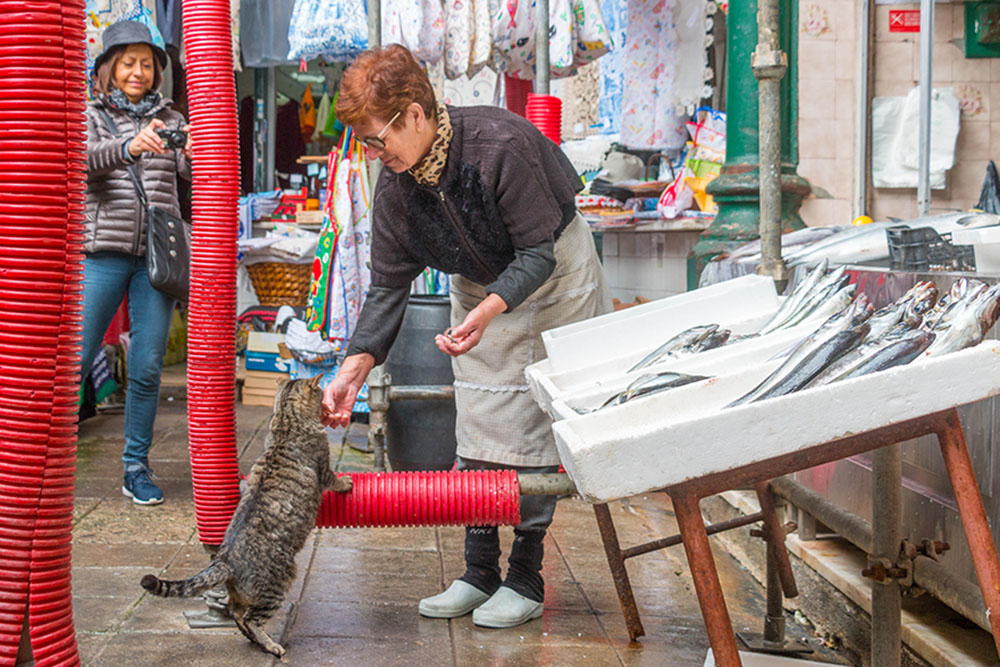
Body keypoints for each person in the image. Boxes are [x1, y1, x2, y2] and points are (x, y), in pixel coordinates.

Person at [322, 45, 611, 628]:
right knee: (479, 424)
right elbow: (387, 287)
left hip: (552, 280)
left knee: (532, 436)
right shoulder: (397, 186)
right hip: (481, 289)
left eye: (380, 140)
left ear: (416, 116)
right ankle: (478, 571)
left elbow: (536, 253)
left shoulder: (498, 146)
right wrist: (354, 366)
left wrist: (488, 315)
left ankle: (526, 577)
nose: (375, 154)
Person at [82, 20, 191, 505]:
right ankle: (40, 460)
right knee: (75, 360)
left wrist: (190, 146)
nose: (137, 72)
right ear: (108, 68)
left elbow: (188, 179)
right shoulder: (91, 114)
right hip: (103, 252)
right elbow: (81, 160)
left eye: (146, 64)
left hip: (157, 258)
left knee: (147, 367)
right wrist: (129, 147)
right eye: (127, 63)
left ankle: (135, 466)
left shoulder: (172, 118)